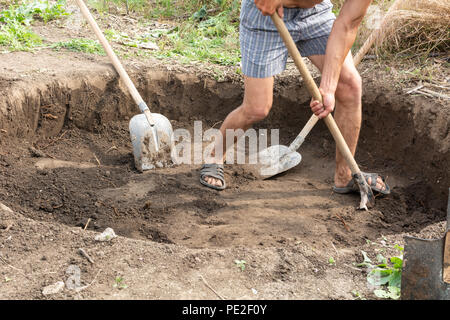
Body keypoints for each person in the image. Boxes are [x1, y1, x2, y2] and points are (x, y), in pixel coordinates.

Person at [199, 0, 390, 196]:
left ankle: (345, 176)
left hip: (315, 15)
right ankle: (215, 156)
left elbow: (347, 24)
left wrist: (328, 88)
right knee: (257, 108)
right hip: (265, 16)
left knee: (349, 86)